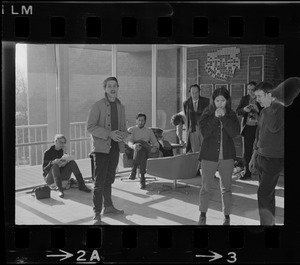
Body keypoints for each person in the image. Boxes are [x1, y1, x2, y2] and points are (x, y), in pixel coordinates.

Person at [87, 76, 128, 225]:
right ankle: (96, 213)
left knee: (109, 179)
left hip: (115, 148)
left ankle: (109, 206)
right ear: (105, 89)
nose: (112, 88)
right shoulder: (97, 106)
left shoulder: (121, 107)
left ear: (118, 88)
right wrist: (109, 134)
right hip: (101, 149)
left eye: (115, 86)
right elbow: (90, 127)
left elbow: (122, 128)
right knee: (99, 181)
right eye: (109, 86)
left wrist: (125, 135)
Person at [198, 87, 240, 225]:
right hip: (208, 156)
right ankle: (202, 214)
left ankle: (227, 217)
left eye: (223, 100)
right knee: (206, 187)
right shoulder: (207, 113)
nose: (220, 103)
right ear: (213, 101)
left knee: (226, 188)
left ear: (227, 101)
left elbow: (235, 133)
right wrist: (215, 118)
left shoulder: (231, 115)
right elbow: (205, 132)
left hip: (227, 156)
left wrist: (224, 118)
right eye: (217, 101)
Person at [249, 81, 284, 226]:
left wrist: (269, 106)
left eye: (259, 96)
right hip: (261, 157)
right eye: (256, 96)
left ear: (270, 94)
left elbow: (274, 127)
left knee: (263, 193)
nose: (257, 99)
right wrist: (253, 157)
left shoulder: (280, 109)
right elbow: (258, 136)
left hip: (273, 159)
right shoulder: (263, 111)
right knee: (268, 194)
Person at [42, 134, 91, 198]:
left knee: (72, 162)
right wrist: (52, 163)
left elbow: (65, 162)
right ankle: (60, 189)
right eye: (60, 142)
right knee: (55, 166)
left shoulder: (62, 151)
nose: (62, 144)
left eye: (63, 143)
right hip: (50, 178)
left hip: (61, 175)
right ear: (56, 141)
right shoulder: (48, 152)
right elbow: (44, 169)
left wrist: (65, 161)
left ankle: (82, 185)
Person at [236, 81, 263, 180]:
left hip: (258, 127)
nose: (251, 92)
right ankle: (247, 171)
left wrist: (258, 110)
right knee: (247, 151)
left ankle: (259, 171)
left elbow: (266, 112)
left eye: (253, 90)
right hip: (247, 127)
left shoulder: (260, 98)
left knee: (259, 150)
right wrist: (244, 110)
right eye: (249, 90)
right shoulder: (245, 99)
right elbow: (238, 111)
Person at [127, 113, 160, 189]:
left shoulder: (149, 131)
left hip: (146, 148)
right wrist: (133, 146)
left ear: (145, 121)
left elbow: (155, 142)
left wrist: (155, 147)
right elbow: (129, 142)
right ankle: (142, 178)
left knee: (142, 147)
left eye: (142, 120)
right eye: (139, 120)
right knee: (140, 147)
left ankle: (134, 170)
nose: (141, 122)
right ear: (136, 121)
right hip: (134, 150)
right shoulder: (131, 129)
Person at [183, 84, 210, 153]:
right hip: (193, 129)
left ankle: (204, 163)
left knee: (205, 148)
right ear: (190, 93)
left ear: (199, 92)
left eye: (196, 93)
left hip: (204, 128)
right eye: (192, 93)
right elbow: (187, 116)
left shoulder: (206, 101)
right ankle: (196, 163)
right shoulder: (186, 103)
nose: (194, 95)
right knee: (195, 150)